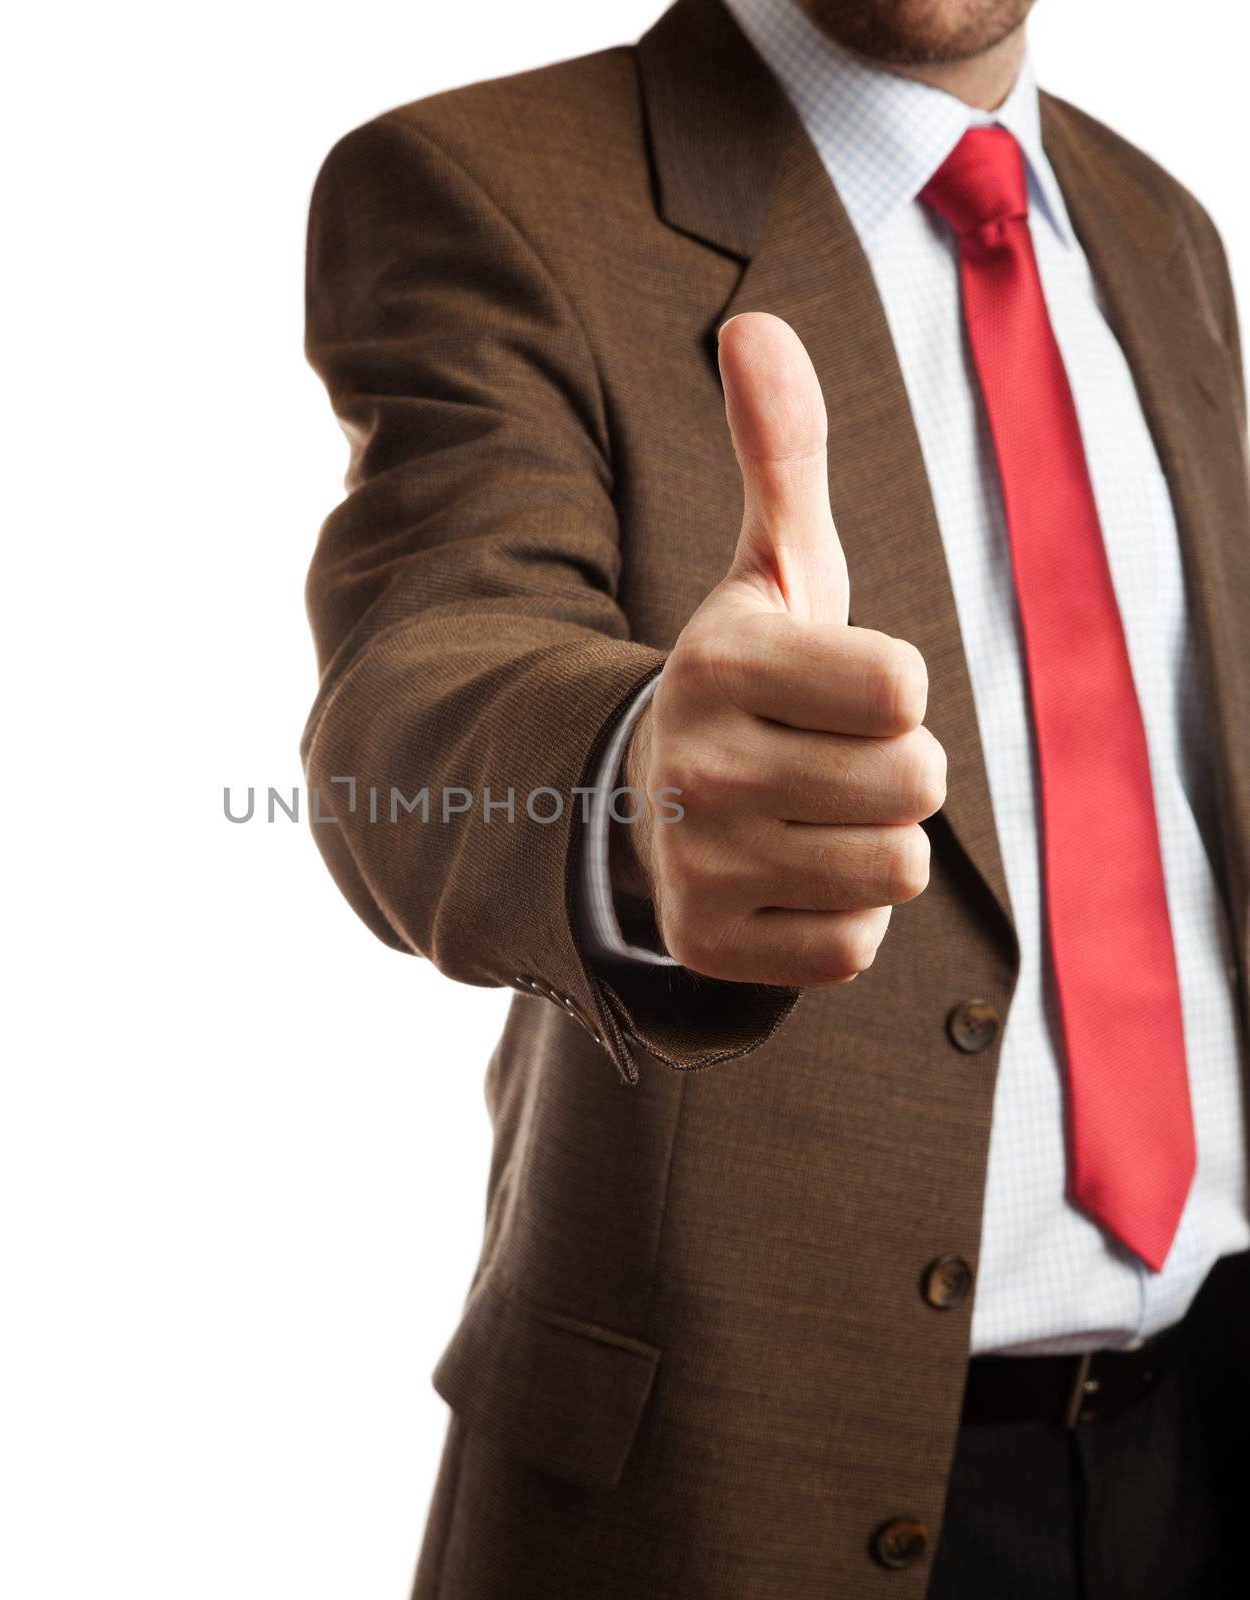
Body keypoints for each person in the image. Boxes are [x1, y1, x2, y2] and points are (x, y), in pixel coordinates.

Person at [301, 0, 1250, 1593]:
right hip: (739, 1487)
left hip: (1210, 1435)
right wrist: (629, 790)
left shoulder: (1162, 226)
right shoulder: (479, 182)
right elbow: (416, 703)